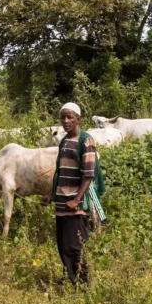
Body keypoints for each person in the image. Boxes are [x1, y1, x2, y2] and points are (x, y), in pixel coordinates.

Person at [45, 102, 97, 286]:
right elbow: (60, 171)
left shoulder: (86, 141)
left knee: (75, 246)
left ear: (78, 119)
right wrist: (51, 194)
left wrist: (77, 199)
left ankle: (82, 284)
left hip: (76, 205)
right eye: (63, 118)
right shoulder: (64, 141)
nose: (66, 121)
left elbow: (88, 175)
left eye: (70, 117)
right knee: (63, 245)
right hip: (61, 202)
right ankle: (69, 276)